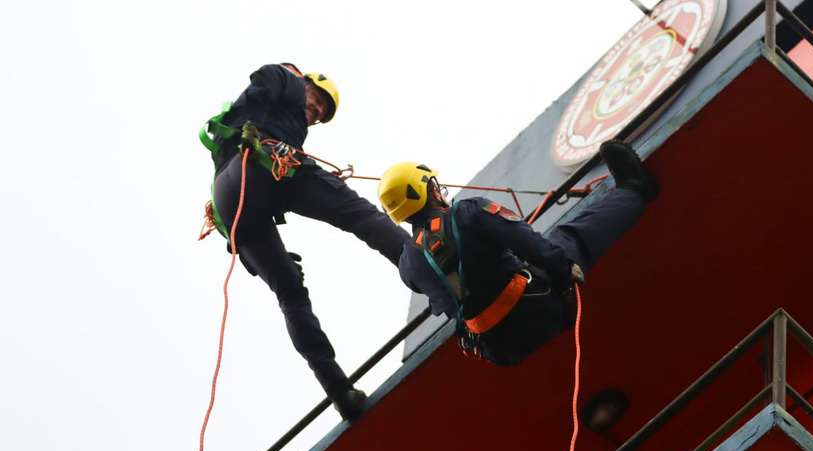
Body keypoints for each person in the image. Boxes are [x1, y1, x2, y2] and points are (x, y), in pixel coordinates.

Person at [206, 63, 411, 420]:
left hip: (230, 193)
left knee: (290, 291)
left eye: (321, 114)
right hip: (267, 159)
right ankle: (439, 273)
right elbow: (264, 82)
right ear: (305, 83)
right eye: (317, 101)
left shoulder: (273, 121)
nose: (315, 112)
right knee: (361, 215)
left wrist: (265, 258)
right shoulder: (285, 80)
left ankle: (339, 392)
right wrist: (275, 97)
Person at [377, 140, 658, 365]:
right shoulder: (467, 212)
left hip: (502, 349)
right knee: (565, 238)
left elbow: (447, 305)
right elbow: (527, 242)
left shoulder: (408, 266)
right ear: (430, 191)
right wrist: (563, 270)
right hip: (541, 306)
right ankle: (634, 191)